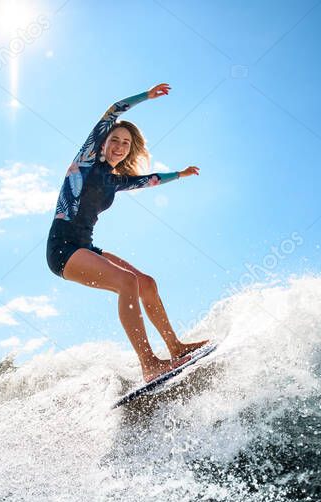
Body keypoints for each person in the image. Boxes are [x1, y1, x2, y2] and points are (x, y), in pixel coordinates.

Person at [46, 82, 208, 382]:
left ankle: (175, 346)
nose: (120, 146)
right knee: (127, 282)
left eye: (126, 143)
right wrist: (146, 96)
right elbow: (112, 110)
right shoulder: (85, 162)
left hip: (85, 247)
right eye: (115, 140)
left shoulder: (115, 181)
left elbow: (150, 180)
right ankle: (148, 363)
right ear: (103, 143)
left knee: (145, 282)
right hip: (62, 249)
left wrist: (181, 174)